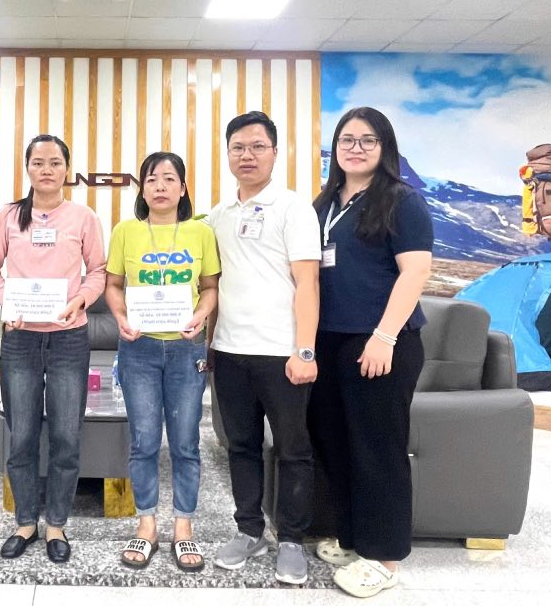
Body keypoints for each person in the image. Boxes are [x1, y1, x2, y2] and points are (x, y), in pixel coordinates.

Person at [308, 106, 433, 598]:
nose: (355, 147)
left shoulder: (401, 201)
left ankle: (384, 557)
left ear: (385, 148)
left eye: (367, 139)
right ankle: (354, 537)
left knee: (378, 449)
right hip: (329, 342)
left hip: (380, 343)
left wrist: (384, 337)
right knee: (336, 444)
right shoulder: (324, 203)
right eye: (346, 139)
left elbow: (415, 272)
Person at [0, 134, 107, 563]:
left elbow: (99, 272)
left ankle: (56, 524)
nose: (47, 169)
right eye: (38, 162)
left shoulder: (84, 217)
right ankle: (25, 523)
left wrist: (81, 301)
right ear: (28, 168)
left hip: (69, 336)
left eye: (55, 162)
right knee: (23, 435)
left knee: (67, 435)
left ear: (66, 169)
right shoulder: (9, 216)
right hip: (20, 338)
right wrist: (5, 301)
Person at [207, 112, 321, 584]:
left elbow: (308, 282)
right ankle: (249, 529)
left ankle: (291, 539)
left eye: (257, 146)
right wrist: (208, 345)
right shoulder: (217, 214)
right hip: (230, 352)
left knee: (293, 449)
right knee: (242, 447)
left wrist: (306, 350)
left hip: (283, 354)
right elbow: (211, 285)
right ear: (228, 153)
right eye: (238, 147)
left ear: (275, 152)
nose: (247, 155)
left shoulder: (294, 208)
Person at [104, 152, 220, 573]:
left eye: (169, 179)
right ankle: (147, 523)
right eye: (152, 179)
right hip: (139, 349)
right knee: (144, 440)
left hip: (187, 349)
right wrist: (119, 317)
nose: (160, 186)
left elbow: (209, 287)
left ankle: (183, 528)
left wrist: (201, 315)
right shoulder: (125, 232)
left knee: (186, 442)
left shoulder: (200, 233)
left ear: (183, 188)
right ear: (142, 188)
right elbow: (113, 284)